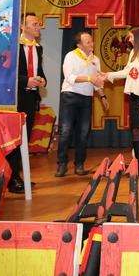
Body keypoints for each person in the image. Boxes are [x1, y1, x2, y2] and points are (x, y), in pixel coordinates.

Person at [100, 25, 139, 177]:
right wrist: (109, 75)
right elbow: (128, 71)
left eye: (132, 37)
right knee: (135, 130)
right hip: (135, 95)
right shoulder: (134, 52)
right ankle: (138, 165)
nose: (129, 40)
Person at [56, 32, 109, 177]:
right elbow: (70, 77)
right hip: (70, 96)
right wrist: (90, 78)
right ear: (79, 45)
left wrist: (103, 96)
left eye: (91, 41)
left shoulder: (95, 59)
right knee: (66, 131)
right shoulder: (71, 56)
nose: (92, 44)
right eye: (88, 42)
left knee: (83, 133)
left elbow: (97, 81)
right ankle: (62, 164)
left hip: (86, 98)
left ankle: (79, 164)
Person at [6, 13, 46, 193]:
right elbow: (7, 72)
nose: (39, 27)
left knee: (24, 137)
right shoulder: (13, 45)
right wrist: (25, 81)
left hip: (31, 97)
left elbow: (39, 71)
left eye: (38, 24)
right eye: (35, 24)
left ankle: (18, 175)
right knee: (13, 139)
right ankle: (11, 177)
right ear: (22, 26)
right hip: (15, 98)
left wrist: (42, 80)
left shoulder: (37, 48)